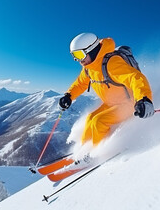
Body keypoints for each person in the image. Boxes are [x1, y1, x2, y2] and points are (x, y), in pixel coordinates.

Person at [58, 32, 154, 164]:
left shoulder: (111, 63)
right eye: (74, 56)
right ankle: (84, 149)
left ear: (92, 50)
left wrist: (143, 99)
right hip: (111, 103)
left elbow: (135, 78)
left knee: (99, 121)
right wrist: (69, 95)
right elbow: (80, 83)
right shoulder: (89, 68)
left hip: (129, 103)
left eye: (79, 55)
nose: (78, 60)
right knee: (90, 118)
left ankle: (96, 154)